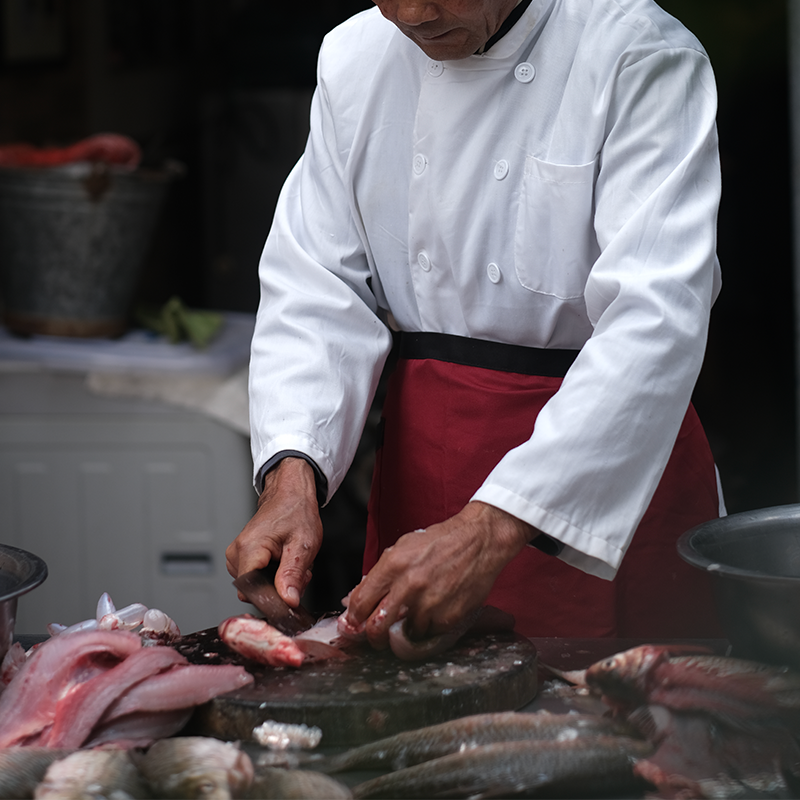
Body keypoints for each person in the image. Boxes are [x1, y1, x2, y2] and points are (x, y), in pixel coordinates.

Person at [226, 0, 725, 646]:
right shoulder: (354, 57)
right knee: (421, 731)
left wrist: (494, 524)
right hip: (425, 462)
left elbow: (656, 319)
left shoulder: (638, 52)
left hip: (600, 474)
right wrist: (293, 474)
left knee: (619, 728)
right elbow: (316, 283)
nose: (411, 12)